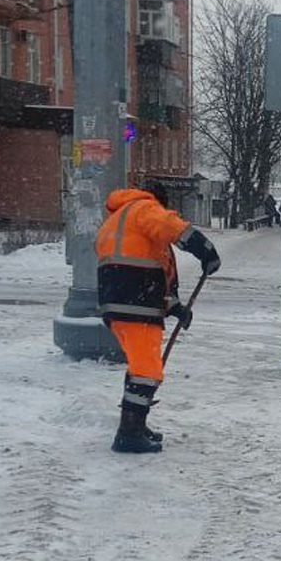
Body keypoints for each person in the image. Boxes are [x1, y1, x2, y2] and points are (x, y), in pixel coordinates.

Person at [96, 180, 221, 454]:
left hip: (119, 301)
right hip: (135, 301)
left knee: (141, 366)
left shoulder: (120, 219)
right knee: (147, 371)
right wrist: (206, 249)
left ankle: (135, 424)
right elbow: (173, 228)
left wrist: (176, 308)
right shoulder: (143, 209)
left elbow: (156, 273)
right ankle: (129, 434)